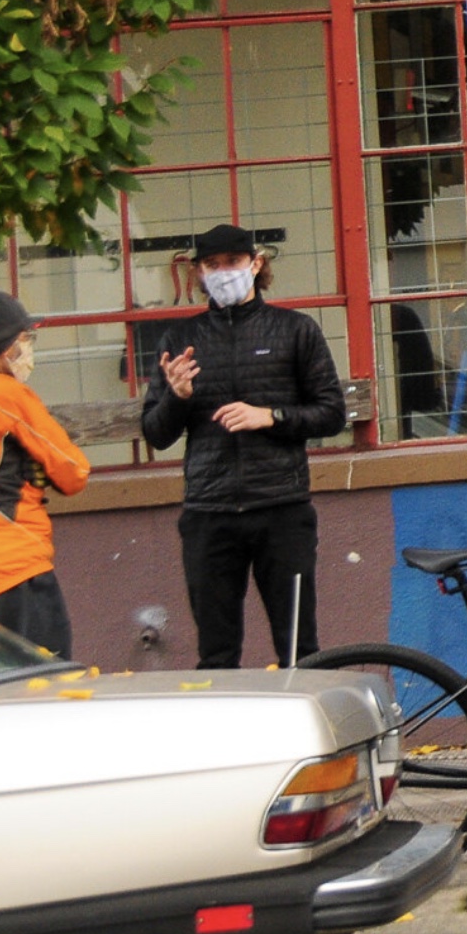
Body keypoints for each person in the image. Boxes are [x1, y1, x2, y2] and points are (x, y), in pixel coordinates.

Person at [141, 224, 347, 669]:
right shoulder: (180, 340)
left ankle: (312, 738)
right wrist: (176, 398)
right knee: (216, 654)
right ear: (198, 273)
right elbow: (156, 434)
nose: (222, 273)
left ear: (256, 264)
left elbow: (332, 413)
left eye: (232, 263)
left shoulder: (296, 330)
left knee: (299, 649)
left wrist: (269, 416)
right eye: (211, 266)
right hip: (209, 514)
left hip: (281, 509)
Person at [0, 292, 90, 655]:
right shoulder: (6, 395)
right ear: (4, 346)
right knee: (44, 688)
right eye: (25, 339)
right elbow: (73, 472)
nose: (27, 349)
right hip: (9, 570)